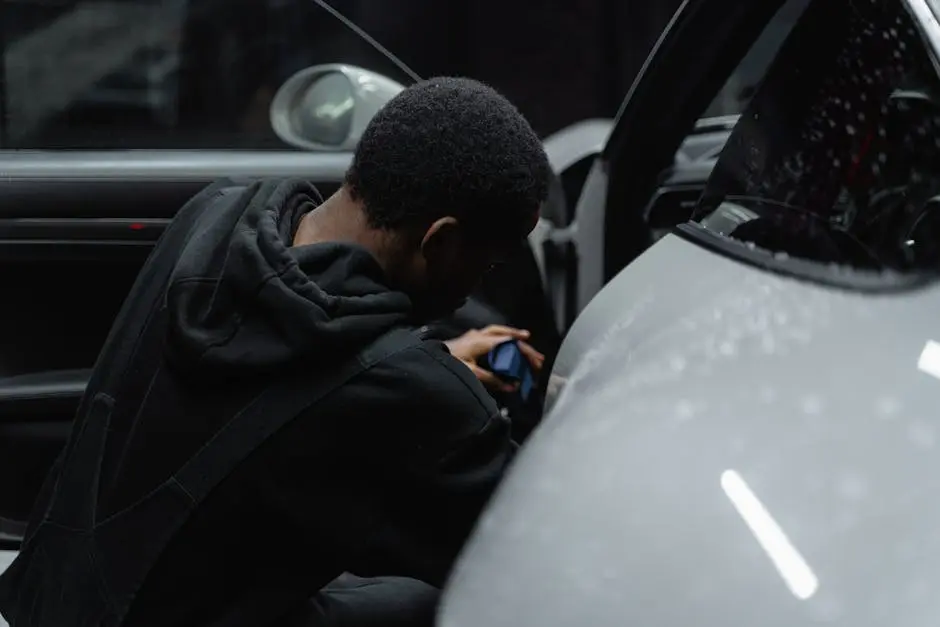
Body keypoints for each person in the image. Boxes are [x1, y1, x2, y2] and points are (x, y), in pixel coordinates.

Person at [0, 77, 552, 627]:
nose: (475, 286)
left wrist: (434, 363)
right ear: (441, 242)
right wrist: (435, 385)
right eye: (487, 264)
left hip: (52, 603)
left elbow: (275, 385)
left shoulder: (213, 216)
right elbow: (540, 560)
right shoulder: (417, 400)